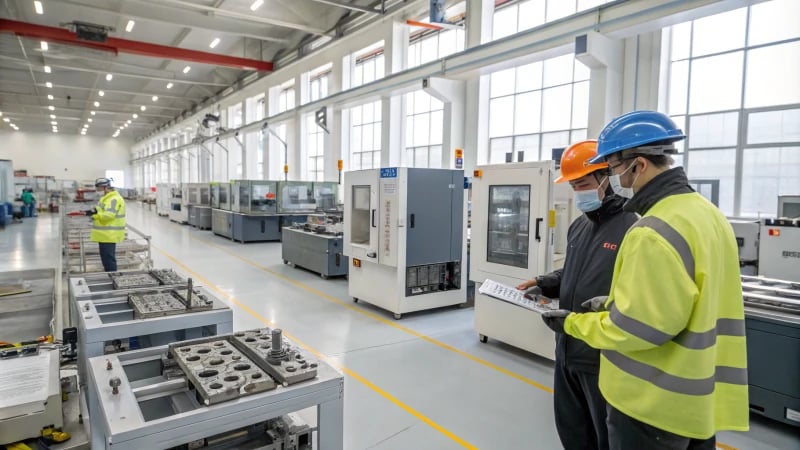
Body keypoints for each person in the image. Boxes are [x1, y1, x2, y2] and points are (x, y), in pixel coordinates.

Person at [542, 111, 748, 450]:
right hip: (696, 395)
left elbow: (636, 328)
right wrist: (611, 304)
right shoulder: (708, 215)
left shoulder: (651, 229)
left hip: (653, 399)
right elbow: (677, 300)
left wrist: (573, 324)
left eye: (613, 168)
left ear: (638, 165)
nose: (615, 177)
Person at [518, 140, 638, 450]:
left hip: (601, 356)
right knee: (572, 430)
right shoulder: (578, 227)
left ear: (607, 177)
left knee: (604, 435)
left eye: (583, 184)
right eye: (573, 186)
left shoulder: (633, 228)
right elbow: (572, 272)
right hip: (566, 349)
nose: (578, 192)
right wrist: (544, 282)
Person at [85, 178, 126, 272]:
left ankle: (112, 277)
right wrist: (89, 212)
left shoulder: (113, 199)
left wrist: (94, 216)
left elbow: (108, 216)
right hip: (104, 234)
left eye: (99, 189)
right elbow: (100, 210)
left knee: (109, 259)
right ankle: (109, 275)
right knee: (106, 258)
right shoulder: (106, 198)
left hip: (109, 233)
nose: (97, 191)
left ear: (106, 187)